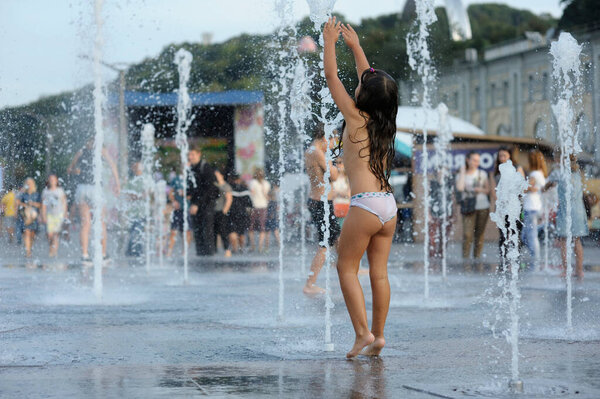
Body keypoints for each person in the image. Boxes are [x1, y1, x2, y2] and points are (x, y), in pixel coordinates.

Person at [324, 18, 398, 358]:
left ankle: (361, 333)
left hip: (365, 205)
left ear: (362, 97)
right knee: (379, 273)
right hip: (388, 205)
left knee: (345, 267)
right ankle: (379, 335)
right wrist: (355, 47)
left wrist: (329, 42)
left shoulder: (355, 119)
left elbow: (331, 79)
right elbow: (371, 82)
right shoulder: (386, 123)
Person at [67, 138, 120, 262]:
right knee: (100, 222)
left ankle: (85, 255)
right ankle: (102, 254)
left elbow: (70, 170)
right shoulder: (102, 150)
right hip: (95, 189)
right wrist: (117, 184)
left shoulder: (81, 151)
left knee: (85, 223)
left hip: (82, 189)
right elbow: (113, 166)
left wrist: (77, 171)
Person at [303, 125, 340, 295]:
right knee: (325, 243)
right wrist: (334, 164)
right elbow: (334, 176)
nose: (333, 145)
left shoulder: (312, 150)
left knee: (337, 238)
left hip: (321, 201)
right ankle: (310, 284)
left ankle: (349, 267)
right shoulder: (317, 152)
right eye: (333, 141)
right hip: (321, 203)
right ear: (326, 138)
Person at [544, 154, 588, 280]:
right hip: (579, 211)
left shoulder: (559, 173)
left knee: (564, 241)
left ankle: (565, 270)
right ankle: (579, 271)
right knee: (577, 241)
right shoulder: (578, 174)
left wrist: (545, 187)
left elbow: (547, 185)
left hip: (566, 211)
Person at [490, 146, 525, 269]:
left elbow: (522, 186)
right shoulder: (496, 171)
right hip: (502, 207)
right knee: (503, 234)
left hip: (514, 206)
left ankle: (516, 259)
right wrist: (500, 200)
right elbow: (493, 189)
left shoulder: (517, 168)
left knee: (515, 233)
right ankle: (503, 260)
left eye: (504, 155)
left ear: (510, 156)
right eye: (500, 156)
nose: (502, 158)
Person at [456, 151, 490, 260]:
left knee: (479, 234)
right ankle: (465, 258)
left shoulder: (482, 174)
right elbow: (460, 188)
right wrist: (462, 172)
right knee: (467, 234)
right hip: (468, 207)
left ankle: (477, 258)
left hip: (482, 206)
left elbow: (488, 190)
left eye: (478, 161)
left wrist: (480, 189)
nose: (476, 163)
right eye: (474, 160)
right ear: (468, 160)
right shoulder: (461, 174)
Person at [187, 147, 219, 256]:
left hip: (206, 206)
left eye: (192, 154)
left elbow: (209, 189)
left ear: (199, 154)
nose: (190, 157)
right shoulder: (191, 169)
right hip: (196, 205)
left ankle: (209, 257)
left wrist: (197, 204)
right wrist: (186, 193)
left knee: (207, 231)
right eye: (189, 155)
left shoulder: (205, 167)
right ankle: (200, 256)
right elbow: (194, 188)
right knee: (198, 232)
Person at [522, 150, 547, 269]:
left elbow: (525, 188)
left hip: (531, 207)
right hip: (537, 207)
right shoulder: (541, 173)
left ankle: (535, 260)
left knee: (529, 236)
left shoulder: (534, 174)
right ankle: (535, 257)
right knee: (526, 236)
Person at [166, 171, 192, 257]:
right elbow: (171, 192)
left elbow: (193, 194)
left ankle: (185, 252)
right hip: (177, 210)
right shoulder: (176, 179)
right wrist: (173, 201)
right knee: (173, 230)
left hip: (186, 209)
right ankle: (169, 252)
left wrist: (184, 194)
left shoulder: (191, 178)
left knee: (187, 232)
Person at [41, 174, 67, 258]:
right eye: (50, 179)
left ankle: (54, 251)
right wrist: (43, 215)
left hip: (59, 214)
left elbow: (64, 202)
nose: (52, 181)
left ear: (56, 181)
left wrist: (65, 213)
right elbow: (44, 204)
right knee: (50, 235)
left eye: (54, 179)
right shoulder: (46, 191)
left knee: (56, 234)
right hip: (49, 215)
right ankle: (51, 248)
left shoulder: (60, 190)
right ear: (48, 181)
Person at [123, 162, 146, 257]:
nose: (136, 170)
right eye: (135, 168)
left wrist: (137, 196)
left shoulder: (145, 180)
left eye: (138, 168)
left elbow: (148, 193)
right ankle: (132, 251)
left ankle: (136, 251)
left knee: (138, 231)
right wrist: (135, 196)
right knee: (133, 232)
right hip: (132, 213)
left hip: (142, 212)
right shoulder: (130, 181)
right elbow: (126, 194)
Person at [16, 178, 41, 258]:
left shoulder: (37, 194)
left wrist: (32, 203)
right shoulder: (23, 194)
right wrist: (25, 205)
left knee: (32, 234)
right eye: (27, 183)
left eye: (30, 183)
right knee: (26, 232)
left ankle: (30, 247)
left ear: (33, 184)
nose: (28, 184)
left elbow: (40, 205)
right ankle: (28, 251)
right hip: (25, 216)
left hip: (34, 217)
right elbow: (17, 202)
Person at [248, 168, 271, 253]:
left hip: (254, 206)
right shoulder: (266, 183)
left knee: (251, 227)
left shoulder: (252, 183)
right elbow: (267, 196)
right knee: (262, 227)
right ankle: (260, 246)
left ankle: (253, 245)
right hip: (263, 207)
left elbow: (251, 193)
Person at [228, 173, 252, 253]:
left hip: (232, 213)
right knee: (241, 232)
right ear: (239, 180)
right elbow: (250, 204)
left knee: (232, 231)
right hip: (242, 214)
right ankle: (241, 248)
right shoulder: (245, 189)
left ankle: (235, 249)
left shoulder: (230, 189)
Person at [214, 169, 233, 257]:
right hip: (213, 211)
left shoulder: (226, 186)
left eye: (217, 175)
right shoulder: (214, 185)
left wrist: (224, 211)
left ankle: (227, 249)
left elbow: (229, 199)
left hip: (221, 211)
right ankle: (214, 250)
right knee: (213, 231)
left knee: (223, 231)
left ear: (221, 175)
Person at [265, 184, 281, 251]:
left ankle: (267, 247)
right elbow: (277, 209)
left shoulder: (270, 202)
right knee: (275, 231)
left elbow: (270, 211)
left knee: (268, 233)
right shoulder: (275, 202)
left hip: (270, 218)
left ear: (269, 196)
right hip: (273, 218)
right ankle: (280, 244)